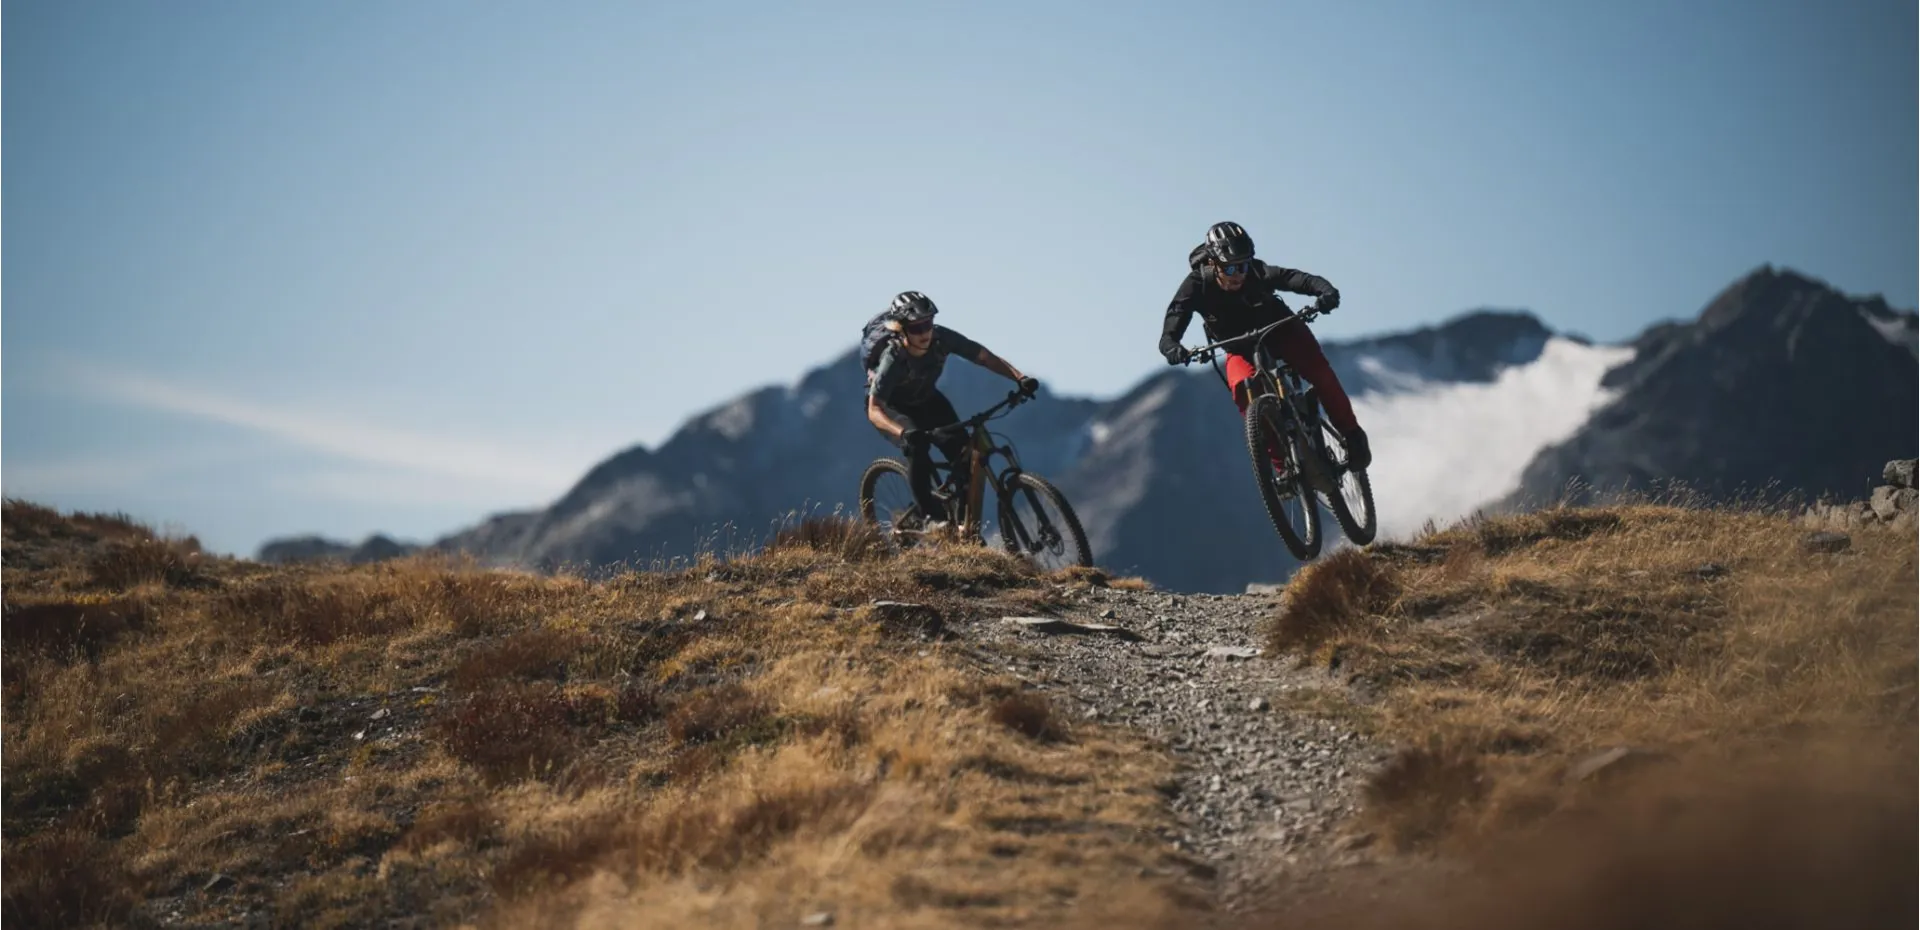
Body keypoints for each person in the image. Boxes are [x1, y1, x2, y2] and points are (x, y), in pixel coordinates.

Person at [1158, 221, 1372, 471]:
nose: (1238, 274)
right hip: (1240, 349)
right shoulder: (1197, 285)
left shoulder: (1257, 272)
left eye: (1243, 266)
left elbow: (1294, 278)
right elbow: (1175, 317)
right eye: (1230, 268)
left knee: (1319, 372)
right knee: (1242, 389)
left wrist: (1325, 291)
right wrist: (1172, 345)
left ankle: (1352, 434)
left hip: (1282, 331)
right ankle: (1283, 469)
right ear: (1213, 264)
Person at [866, 291, 1040, 530]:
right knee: (918, 448)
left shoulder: (942, 339)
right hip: (894, 409)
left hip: (928, 400)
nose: (925, 333)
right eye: (916, 328)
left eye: (928, 324)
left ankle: (962, 529)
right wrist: (903, 433)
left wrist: (1020, 378)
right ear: (901, 329)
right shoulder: (893, 358)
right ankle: (931, 518)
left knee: (966, 457)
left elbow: (984, 357)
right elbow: (874, 409)